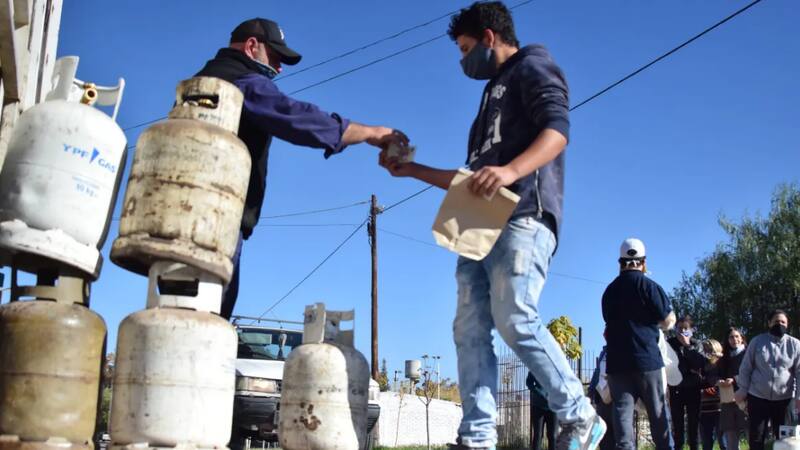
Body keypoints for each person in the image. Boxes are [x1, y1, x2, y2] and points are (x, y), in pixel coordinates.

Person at [380, 2, 606, 449]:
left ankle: (580, 416)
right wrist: (412, 170)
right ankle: (477, 436)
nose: (463, 62)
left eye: (465, 50)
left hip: (524, 215)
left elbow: (557, 130)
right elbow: (469, 181)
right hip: (480, 228)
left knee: (515, 316)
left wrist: (509, 172)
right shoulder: (487, 99)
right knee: (468, 327)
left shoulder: (534, 67)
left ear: (488, 37)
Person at [193, 18, 408, 319]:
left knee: (186, 316)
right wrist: (370, 133)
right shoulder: (239, 81)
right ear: (252, 46)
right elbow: (295, 118)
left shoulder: (204, 81)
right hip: (215, 221)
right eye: (276, 58)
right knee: (204, 322)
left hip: (191, 214)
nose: (279, 69)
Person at [601, 238, 675, 450]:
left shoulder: (609, 291)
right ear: (643, 262)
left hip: (617, 363)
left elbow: (608, 321)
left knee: (623, 416)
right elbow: (668, 320)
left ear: (620, 262)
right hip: (647, 360)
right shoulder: (650, 286)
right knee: (658, 414)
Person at [735, 309, 800, 450]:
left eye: (783, 322)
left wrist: (799, 397)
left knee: (786, 440)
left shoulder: (795, 344)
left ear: (787, 324)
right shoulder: (757, 342)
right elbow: (746, 367)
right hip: (758, 397)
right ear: (769, 323)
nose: (780, 324)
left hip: (785, 399)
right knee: (757, 437)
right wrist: (742, 389)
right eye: (776, 321)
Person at [667, 316, 707, 450]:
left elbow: (699, 364)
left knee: (693, 424)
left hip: (693, 388)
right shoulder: (670, 344)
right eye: (679, 328)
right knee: (677, 424)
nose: (682, 331)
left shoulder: (697, 344)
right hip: (676, 387)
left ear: (692, 330)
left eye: (686, 329)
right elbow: (671, 365)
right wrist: (688, 368)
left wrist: (687, 346)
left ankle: (694, 446)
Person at [717, 328, 747, 450]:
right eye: (731, 337)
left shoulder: (748, 353)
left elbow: (752, 374)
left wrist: (734, 380)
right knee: (730, 435)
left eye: (736, 336)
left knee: (751, 432)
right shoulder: (724, 357)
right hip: (728, 399)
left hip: (746, 398)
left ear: (742, 338)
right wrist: (719, 380)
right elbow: (715, 373)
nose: (734, 339)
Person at [699, 339, 725, 450]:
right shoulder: (700, 365)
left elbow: (723, 383)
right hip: (704, 408)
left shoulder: (722, 364)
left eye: (710, 349)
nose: (707, 352)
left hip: (720, 407)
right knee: (706, 442)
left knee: (724, 441)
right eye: (704, 349)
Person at [588, 344, 615, 450]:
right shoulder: (604, 352)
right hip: (601, 399)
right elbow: (597, 372)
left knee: (620, 436)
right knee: (604, 437)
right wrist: (591, 392)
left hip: (616, 399)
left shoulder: (623, 347)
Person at [528, 372, 557, 450]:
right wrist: (539, 392)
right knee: (538, 435)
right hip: (538, 406)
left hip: (553, 407)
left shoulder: (557, 366)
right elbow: (529, 383)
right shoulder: (535, 365)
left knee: (553, 435)